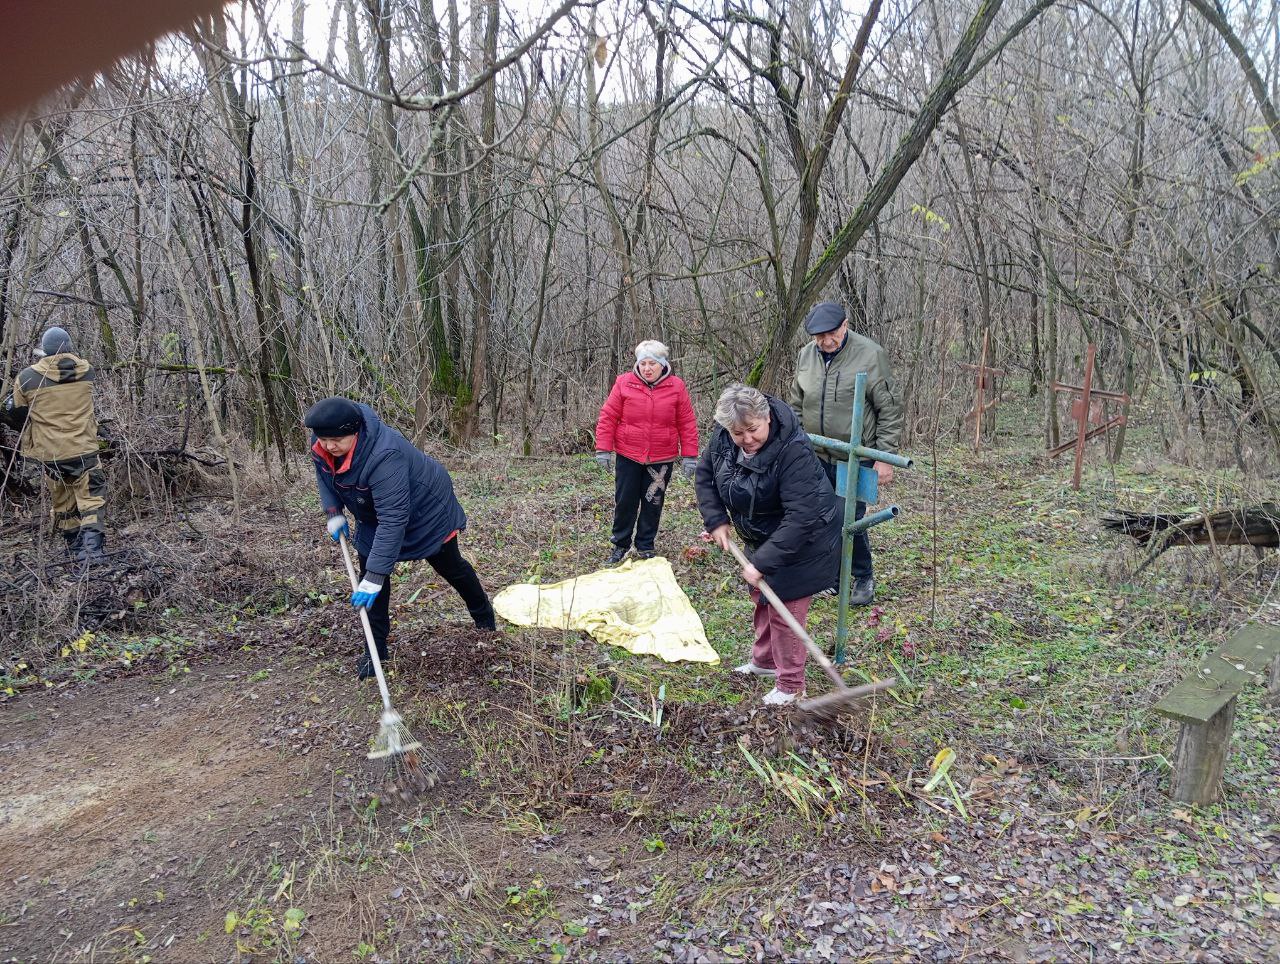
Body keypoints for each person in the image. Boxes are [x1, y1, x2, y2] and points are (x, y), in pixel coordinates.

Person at [305, 397, 496, 680]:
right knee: (372, 583)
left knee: (450, 566)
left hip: (426, 511)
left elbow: (394, 519)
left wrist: (375, 575)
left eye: (336, 439)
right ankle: (376, 650)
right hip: (373, 511)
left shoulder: (384, 455)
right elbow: (325, 472)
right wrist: (333, 510)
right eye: (324, 439)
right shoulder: (324, 439)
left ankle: (484, 618)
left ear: (355, 431)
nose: (329, 445)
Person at [695, 383, 842, 706]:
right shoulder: (722, 439)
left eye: (752, 430)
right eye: (738, 433)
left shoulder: (793, 450)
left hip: (806, 539)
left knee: (784, 608)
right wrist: (716, 520)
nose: (746, 439)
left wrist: (763, 562)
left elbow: (803, 516)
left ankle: (790, 685)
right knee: (763, 599)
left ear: (767, 419)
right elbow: (706, 475)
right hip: (762, 535)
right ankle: (764, 662)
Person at [789, 302, 904, 605]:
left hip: (856, 455)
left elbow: (889, 409)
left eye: (831, 334)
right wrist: (795, 445)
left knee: (847, 519)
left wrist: (884, 455)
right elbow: (797, 405)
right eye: (818, 337)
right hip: (815, 454)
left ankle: (863, 576)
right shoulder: (806, 356)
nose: (825, 342)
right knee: (822, 519)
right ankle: (834, 577)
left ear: (845, 325)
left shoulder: (869, 354)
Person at [2, 326, 107, 563]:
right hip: (84, 448)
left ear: (44, 351)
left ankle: (73, 546)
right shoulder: (87, 371)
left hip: (51, 452)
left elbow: (16, 414)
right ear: (69, 347)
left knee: (62, 499)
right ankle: (92, 552)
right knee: (91, 499)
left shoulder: (28, 378)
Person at [594, 340, 699, 565]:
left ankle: (645, 545)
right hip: (628, 455)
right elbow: (608, 416)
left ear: (663, 364)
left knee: (653, 502)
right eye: (643, 363)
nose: (647, 368)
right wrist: (603, 449)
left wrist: (690, 456)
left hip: (661, 458)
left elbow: (687, 422)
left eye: (653, 363)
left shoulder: (676, 387)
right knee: (625, 501)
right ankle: (620, 545)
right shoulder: (624, 383)